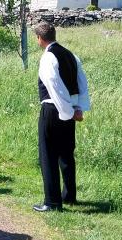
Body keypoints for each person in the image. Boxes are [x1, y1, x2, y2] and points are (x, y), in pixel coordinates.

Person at [32, 21, 90, 212]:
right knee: (66, 154)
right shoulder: (71, 55)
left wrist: (68, 111)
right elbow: (82, 83)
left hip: (54, 110)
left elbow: (54, 87)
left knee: (48, 155)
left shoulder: (48, 57)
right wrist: (79, 107)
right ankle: (69, 196)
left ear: (39, 38)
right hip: (71, 109)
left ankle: (52, 201)